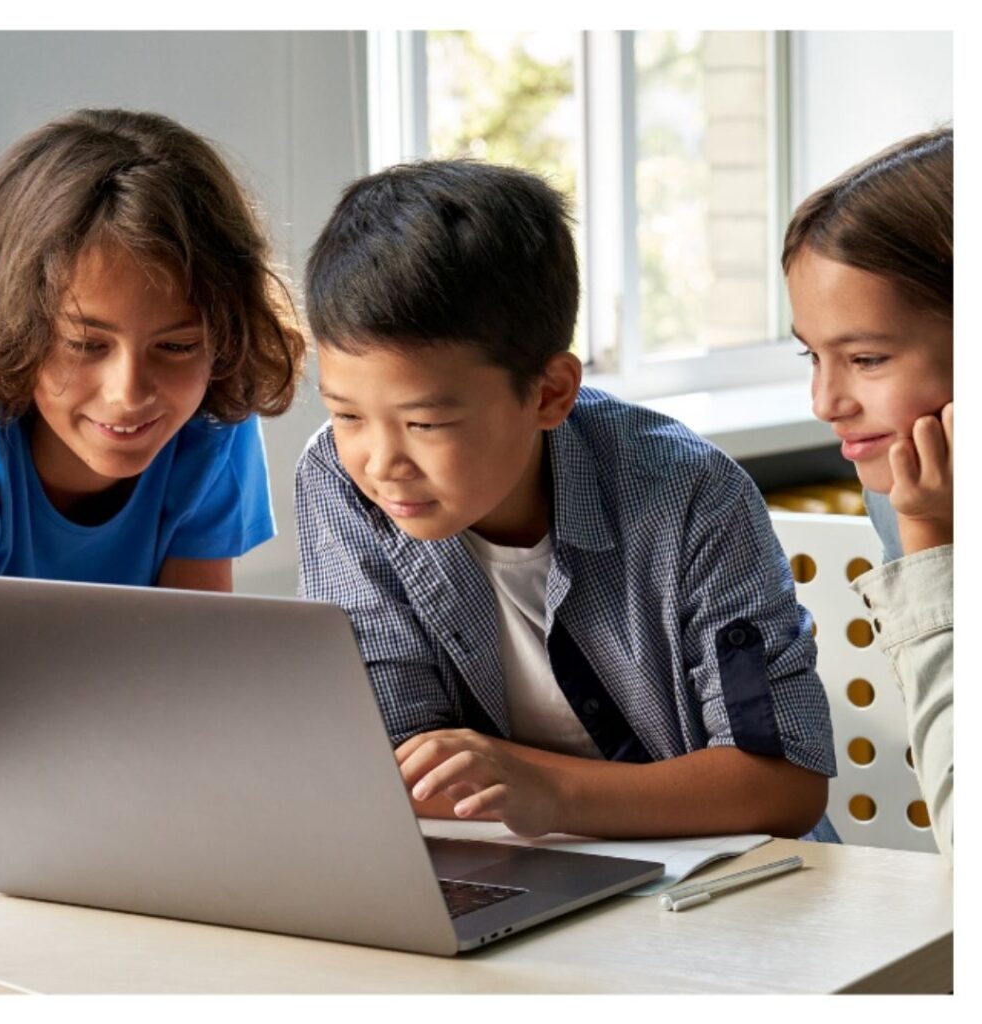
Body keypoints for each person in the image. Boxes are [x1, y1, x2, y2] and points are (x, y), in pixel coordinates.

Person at [296, 159, 836, 840]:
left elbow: (783, 785)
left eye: (425, 424)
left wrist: (548, 791)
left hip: (726, 885)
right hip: (506, 871)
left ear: (551, 393)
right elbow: (391, 768)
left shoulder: (689, 494)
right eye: (347, 415)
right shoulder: (337, 480)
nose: (379, 462)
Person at [0, 108, 305, 590]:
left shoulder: (213, 433)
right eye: (85, 343)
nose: (129, 393)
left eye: (177, 346)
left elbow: (188, 649)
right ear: (13, 327)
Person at [783, 125, 952, 858]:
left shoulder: (924, 506)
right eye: (812, 356)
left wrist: (933, 543)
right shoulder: (909, 491)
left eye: (867, 358)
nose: (825, 401)